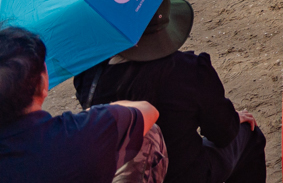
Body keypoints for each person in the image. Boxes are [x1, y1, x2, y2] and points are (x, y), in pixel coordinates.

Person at [73, 0, 267, 183]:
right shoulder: (189, 69)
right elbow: (223, 133)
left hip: (120, 175)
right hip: (184, 175)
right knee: (249, 135)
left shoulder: (90, 73)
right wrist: (232, 119)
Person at [0, 24, 168, 183]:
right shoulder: (76, 137)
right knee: (149, 134)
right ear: (42, 83)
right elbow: (147, 110)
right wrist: (92, 115)